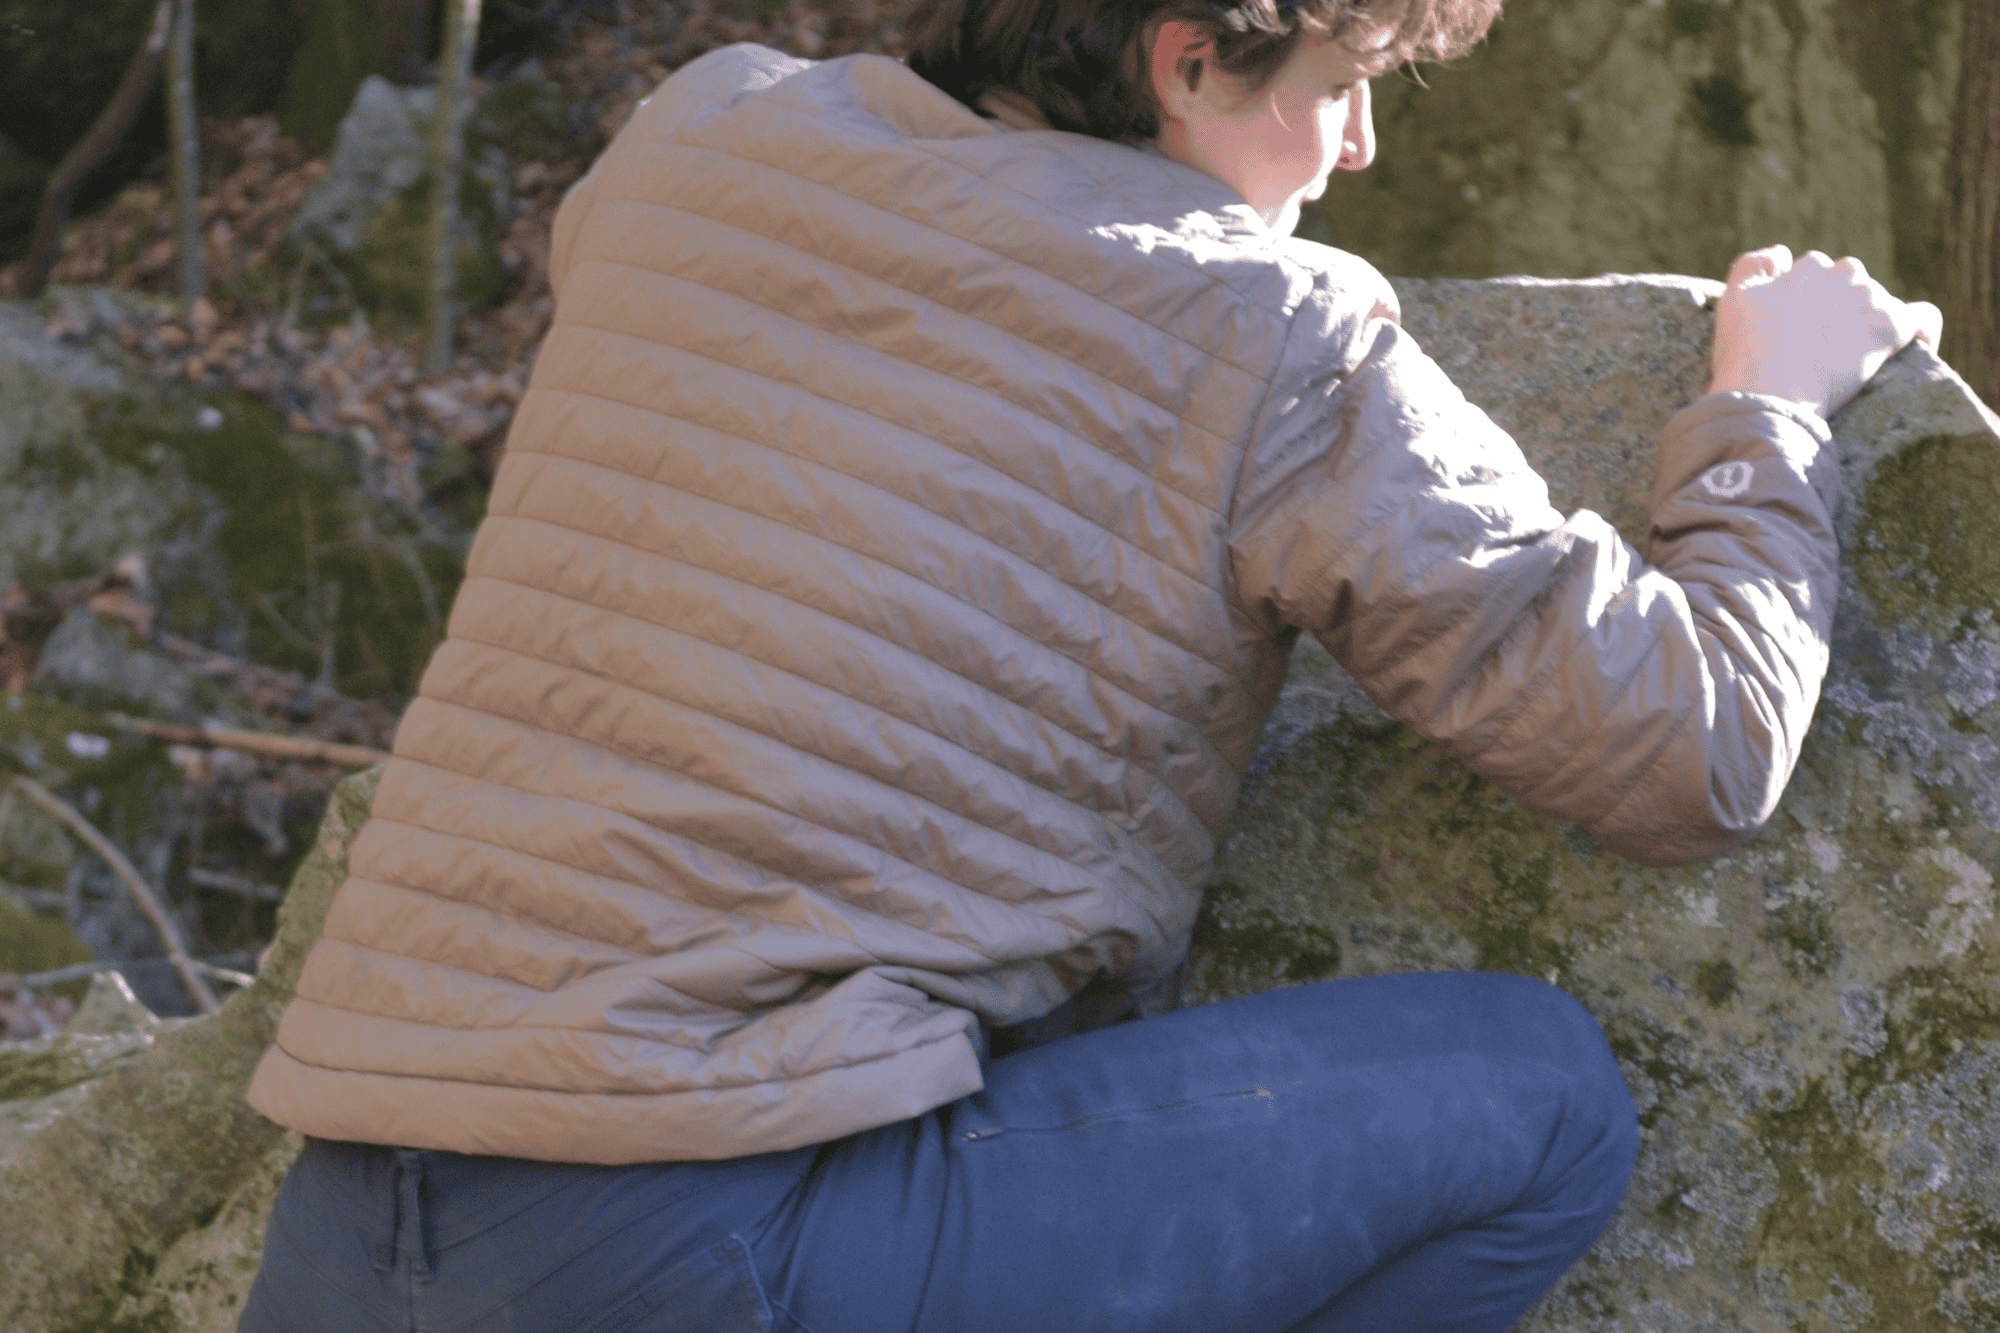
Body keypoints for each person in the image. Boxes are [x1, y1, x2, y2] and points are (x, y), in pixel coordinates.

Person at [235, 0, 1942, 1326]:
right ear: (1188, 59)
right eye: (1340, 81)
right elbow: (1692, 745)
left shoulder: (693, 136)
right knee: (1545, 1102)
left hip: (339, 1225)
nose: (1355, 146)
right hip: (709, 1244)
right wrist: (1765, 414)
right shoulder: (1267, 328)